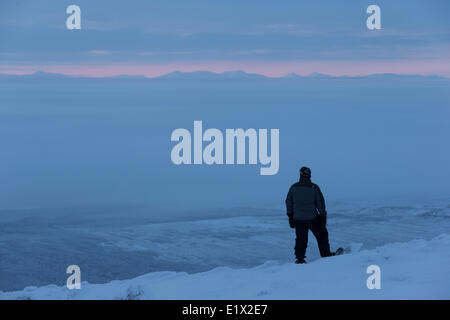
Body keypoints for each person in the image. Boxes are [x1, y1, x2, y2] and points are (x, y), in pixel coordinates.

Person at [285, 166, 341, 264]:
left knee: (301, 239)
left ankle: (300, 259)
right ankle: (326, 255)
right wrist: (323, 216)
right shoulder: (314, 187)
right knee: (322, 235)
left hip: (298, 219)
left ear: (300, 174)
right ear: (309, 175)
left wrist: (290, 216)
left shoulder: (293, 187)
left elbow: (288, 202)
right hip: (312, 218)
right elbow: (320, 203)